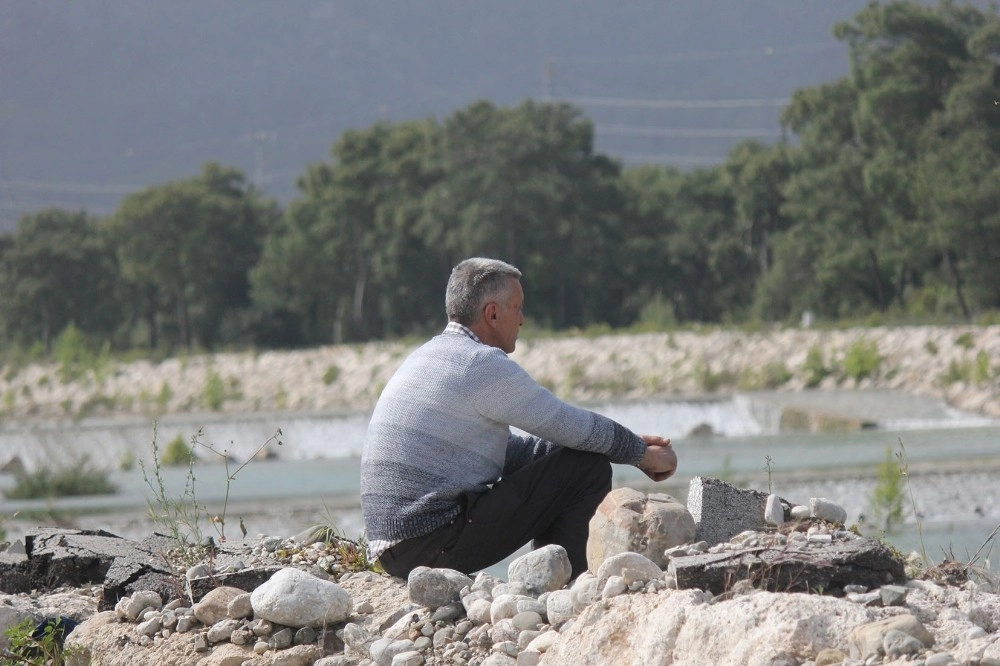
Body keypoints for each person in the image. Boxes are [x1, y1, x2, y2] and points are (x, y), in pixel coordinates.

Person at [361, 257, 677, 579]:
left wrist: (614, 446)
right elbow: (569, 425)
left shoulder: (428, 356)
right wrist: (640, 454)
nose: (523, 319)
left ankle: (546, 575)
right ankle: (563, 586)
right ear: (492, 313)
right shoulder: (479, 364)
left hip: (395, 550)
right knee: (585, 468)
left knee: (572, 456)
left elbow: (508, 452)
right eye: (518, 307)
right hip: (429, 541)